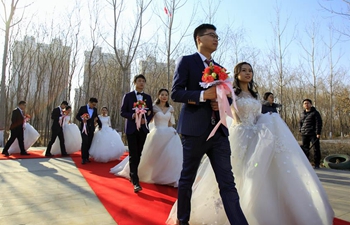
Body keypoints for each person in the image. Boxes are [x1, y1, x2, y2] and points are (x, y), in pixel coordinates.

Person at [167, 62, 334, 225]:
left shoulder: (255, 95)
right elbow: (225, 111)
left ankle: (260, 210)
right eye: (244, 70)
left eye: (250, 71)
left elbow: (258, 115)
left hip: (259, 137)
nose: (248, 73)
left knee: (261, 174)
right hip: (239, 135)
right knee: (237, 176)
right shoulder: (231, 91)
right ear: (237, 73)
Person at [168, 24, 248, 225]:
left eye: (217, 36)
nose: (216, 39)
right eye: (211, 35)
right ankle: (182, 220)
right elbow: (176, 93)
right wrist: (204, 95)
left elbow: (229, 98)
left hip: (219, 133)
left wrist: (221, 101)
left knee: (228, 183)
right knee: (187, 179)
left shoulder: (220, 69)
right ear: (198, 38)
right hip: (194, 131)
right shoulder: (186, 62)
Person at [110, 89, 182, 187]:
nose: (164, 96)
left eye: (166, 95)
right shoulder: (154, 107)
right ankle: (138, 173)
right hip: (157, 133)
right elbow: (150, 119)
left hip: (168, 133)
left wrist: (172, 130)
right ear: (158, 96)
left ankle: (168, 176)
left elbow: (170, 122)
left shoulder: (171, 108)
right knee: (150, 155)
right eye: (162, 94)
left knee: (169, 155)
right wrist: (141, 117)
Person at [120, 74, 153, 193]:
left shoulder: (148, 98)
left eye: (143, 81)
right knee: (133, 154)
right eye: (139, 81)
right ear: (135, 82)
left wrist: (146, 120)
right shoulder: (128, 96)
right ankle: (135, 180)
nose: (141, 83)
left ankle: (132, 173)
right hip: (131, 128)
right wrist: (133, 115)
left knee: (139, 153)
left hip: (143, 129)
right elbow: (123, 112)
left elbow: (151, 113)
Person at [76, 97, 102, 164]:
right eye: (93, 104)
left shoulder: (95, 110)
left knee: (89, 142)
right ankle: (83, 158)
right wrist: (82, 119)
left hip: (91, 128)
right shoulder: (83, 108)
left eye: (95, 105)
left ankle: (87, 157)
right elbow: (77, 116)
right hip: (84, 128)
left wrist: (100, 125)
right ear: (89, 102)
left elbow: (96, 117)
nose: (94, 106)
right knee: (85, 142)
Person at [300, 98, 323, 168]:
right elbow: (300, 123)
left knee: (316, 148)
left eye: (307, 103)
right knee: (305, 149)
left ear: (311, 104)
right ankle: (306, 163)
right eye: (304, 103)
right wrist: (300, 130)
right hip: (304, 133)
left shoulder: (315, 113)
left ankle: (317, 163)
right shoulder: (302, 113)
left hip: (313, 133)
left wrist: (318, 133)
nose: (306, 105)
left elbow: (318, 123)